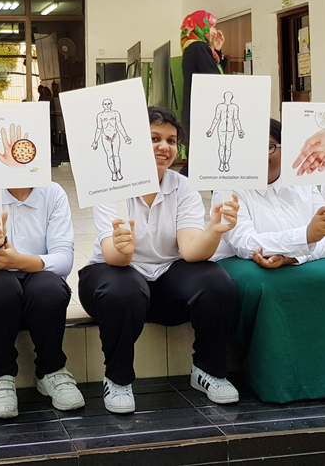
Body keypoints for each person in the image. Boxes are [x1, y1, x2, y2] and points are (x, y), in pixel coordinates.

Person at [79, 106, 241, 413]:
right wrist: (124, 248)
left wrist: (214, 229)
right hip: (112, 275)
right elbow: (113, 256)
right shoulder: (110, 184)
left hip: (165, 280)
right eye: (154, 138)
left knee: (217, 282)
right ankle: (118, 379)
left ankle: (208, 371)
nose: (164, 147)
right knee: (124, 289)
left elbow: (191, 251)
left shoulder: (183, 187)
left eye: (171, 140)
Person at [211, 119, 325, 403]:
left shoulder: (305, 182)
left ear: (286, 148)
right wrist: (304, 237)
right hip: (244, 263)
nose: (259, 155)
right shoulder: (229, 186)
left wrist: (293, 256)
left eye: (268, 146)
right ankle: (269, 379)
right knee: (261, 284)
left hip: (296, 260)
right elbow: (244, 241)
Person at [0, 183, 84, 419]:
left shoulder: (53, 192)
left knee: (49, 287)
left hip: (35, 294)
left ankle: (52, 371)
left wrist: (18, 260)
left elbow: (64, 260)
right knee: (1, 287)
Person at [179, 10, 226, 172]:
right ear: (201, 27)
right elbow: (214, 79)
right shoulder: (199, 47)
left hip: (194, 110)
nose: (214, 31)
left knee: (196, 160)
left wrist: (216, 51)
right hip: (202, 112)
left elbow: (209, 72)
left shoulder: (190, 47)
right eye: (211, 27)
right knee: (200, 163)